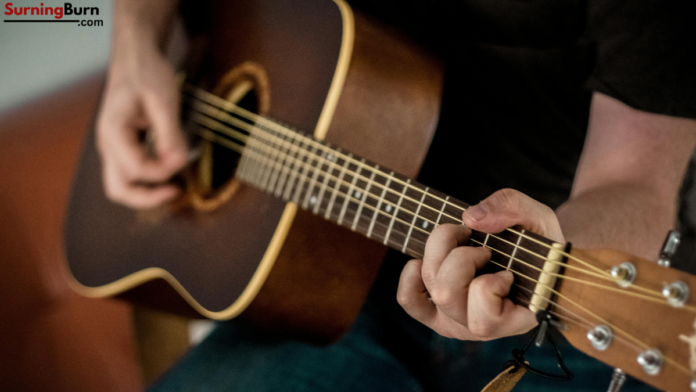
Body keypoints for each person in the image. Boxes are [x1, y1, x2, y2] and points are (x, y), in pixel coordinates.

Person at [97, 0, 696, 390]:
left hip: (551, 313)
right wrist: (133, 41)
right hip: (321, 294)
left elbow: (642, 180)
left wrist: (555, 253)